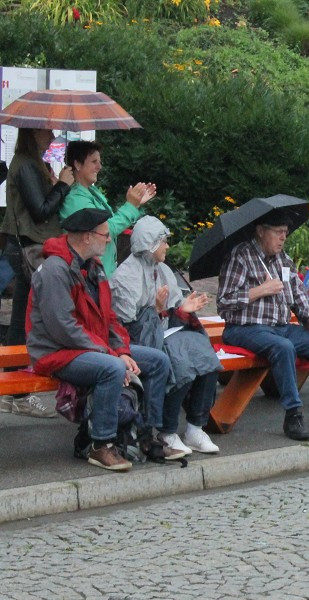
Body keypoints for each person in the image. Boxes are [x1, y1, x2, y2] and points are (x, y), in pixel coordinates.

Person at [26, 208, 185, 470]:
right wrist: (112, 355)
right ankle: (101, 445)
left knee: (157, 361)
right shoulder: (55, 270)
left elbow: (110, 318)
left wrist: (120, 349)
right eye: (104, 234)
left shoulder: (94, 268)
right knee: (112, 369)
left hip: (90, 347)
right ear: (87, 237)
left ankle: (145, 436)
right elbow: (62, 328)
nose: (109, 239)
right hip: (56, 352)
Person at [218, 210, 309, 440]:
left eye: (285, 232)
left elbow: (300, 296)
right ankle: (293, 415)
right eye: (278, 232)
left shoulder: (283, 260)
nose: (283, 237)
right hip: (245, 328)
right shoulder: (241, 256)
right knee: (283, 346)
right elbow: (224, 302)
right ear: (261, 231)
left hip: (279, 327)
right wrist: (259, 291)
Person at [109, 216, 222, 455]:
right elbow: (125, 328)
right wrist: (156, 309)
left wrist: (183, 309)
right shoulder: (126, 276)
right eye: (163, 241)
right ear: (150, 244)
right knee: (180, 363)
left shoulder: (162, 270)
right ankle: (167, 431)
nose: (167, 246)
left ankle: (194, 427)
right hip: (138, 341)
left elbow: (173, 309)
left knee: (206, 356)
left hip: (165, 332)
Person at [0, 127, 73, 418]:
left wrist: (54, 182)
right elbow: (40, 211)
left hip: (25, 248)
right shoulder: (26, 164)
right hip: (29, 250)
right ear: (32, 132)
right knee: (30, 320)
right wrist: (63, 186)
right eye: (47, 129)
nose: (53, 133)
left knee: (22, 317)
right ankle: (19, 391)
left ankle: (14, 392)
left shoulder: (33, 163)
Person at [59, 140, 155, 277]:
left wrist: (136, 204)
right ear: (78, 164)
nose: (99, 166)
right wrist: (131, 206)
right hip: (90, 273)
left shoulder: (91, 192)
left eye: (99, 162)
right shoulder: (75, 199)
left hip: (101, 270)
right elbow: (105, 231)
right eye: (94, 162)